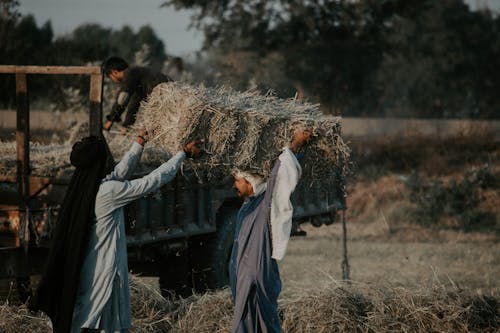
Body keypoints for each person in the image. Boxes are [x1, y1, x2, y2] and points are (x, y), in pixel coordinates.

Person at [31, 131, 200, 333]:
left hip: (90, 268)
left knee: (89, 320)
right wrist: (182, 154)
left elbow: (119, 174)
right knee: (97, 323)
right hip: (104, 271)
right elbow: (151, 181)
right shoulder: (108, 192)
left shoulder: (86, 187)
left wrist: (139, 144)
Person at [229, 129, 312, 333]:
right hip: (243, 276)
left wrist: (294, 146)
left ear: (250, 182)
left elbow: (278, 178)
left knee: (265, 322)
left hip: (259, 272)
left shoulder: (265, 204)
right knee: (247, 319)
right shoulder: (246, 206)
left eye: (237, 180)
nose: (234, 185)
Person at [102, 56, 172, 132]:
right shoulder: (138, 74)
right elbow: (135, 101)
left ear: (114, 72)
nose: (112, 80)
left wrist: (110, 120)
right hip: (170, 94)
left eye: (110, 77)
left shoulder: (130, 74)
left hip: (163, 97)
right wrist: (127, 125)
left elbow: (122, 98)